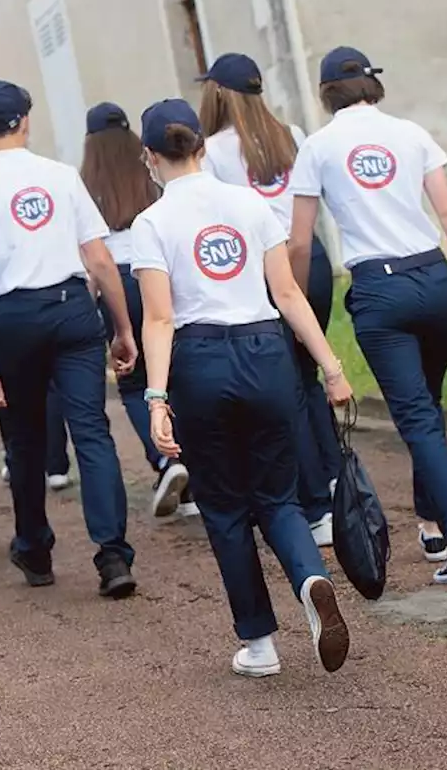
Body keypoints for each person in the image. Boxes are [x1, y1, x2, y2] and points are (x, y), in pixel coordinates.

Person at [131, 98, 353, 677]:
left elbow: (158, 318)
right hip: (265, 351)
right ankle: (311, 580)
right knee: (277, 496)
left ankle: (258, 643)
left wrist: (156, 399)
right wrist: (330, 366)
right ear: (202, 146)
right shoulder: (250, 203)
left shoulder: (151, 223)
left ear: (151, 157)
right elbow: (287, 294)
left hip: (199, 360)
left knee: (226, 506)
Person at [289, 46, 447, 585]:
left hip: (381, 292)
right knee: (428, 407)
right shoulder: (412, 133)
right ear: (371, 85)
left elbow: (300, 238)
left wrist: (288, 294)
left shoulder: (317, 147)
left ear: (326, 92)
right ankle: (430, 522)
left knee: (416, 417)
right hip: (435, 279)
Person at [0, 79, 140, 599]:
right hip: (73, 310)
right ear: (26, 120)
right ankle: (112, 555)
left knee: (25, 438)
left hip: (13, 319)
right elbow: (99, 259)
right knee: (91, 432)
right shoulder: (61, 176)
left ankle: (34, 546)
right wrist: (122, 328)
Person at [198, 53, 337, 546]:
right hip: (311, 260)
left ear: (217, 94)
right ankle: (335, 477)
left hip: (266, 271)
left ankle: (316, 504)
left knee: (290, 391)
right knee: (309, 374)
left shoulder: (212, 151)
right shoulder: (292, 134)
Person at [81, 102, 197, 520]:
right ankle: (194, 468)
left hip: (117, 280)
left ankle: (166, 459)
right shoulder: (151, 172)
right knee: (173, 369)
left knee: (133, 383)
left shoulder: (85, 182)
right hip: (161, 271)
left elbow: (90, 257)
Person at [0, 136, 74, 490]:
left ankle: (20, 463)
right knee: (55, 388)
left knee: (14, 398)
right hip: (61, 298)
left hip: (10, 308)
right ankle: (57, 462)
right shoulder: (49, 176)